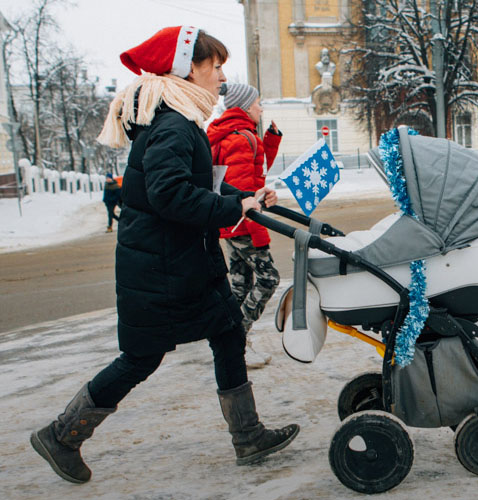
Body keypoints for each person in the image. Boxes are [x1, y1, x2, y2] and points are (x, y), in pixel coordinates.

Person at [29, 26, 299, 485]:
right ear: (188, 68)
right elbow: (171, 195)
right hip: (161, 268)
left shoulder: (179, 120)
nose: (221, 77)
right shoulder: (173, 125)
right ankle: (62, 435)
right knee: (142, 357)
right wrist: (234, 208)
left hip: (181, 263)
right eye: (216, 66)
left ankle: (248, 435)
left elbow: (197, 187)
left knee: (228, 332)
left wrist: (244, 197)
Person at [207, 83, 281, 369]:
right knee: (268, 279)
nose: (260, 108)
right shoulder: (240, 138)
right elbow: (242, 190)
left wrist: (269, 141)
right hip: (242, 223)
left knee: (240, 286)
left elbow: (253, 171)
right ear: (246, 106)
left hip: (229, 225)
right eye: (257, 103)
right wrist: (256, 229)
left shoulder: (230, 134)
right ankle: (236, 341)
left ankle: (230, 345)